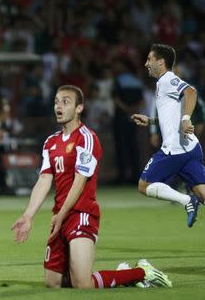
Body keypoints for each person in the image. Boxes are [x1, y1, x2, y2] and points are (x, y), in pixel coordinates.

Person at [12, 85, 172, 289]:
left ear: (79, 108)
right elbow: (44, 180)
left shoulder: (87, 138)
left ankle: (142, 272)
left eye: (65, 102)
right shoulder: (50, 142)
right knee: (53, 283)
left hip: (81, 214)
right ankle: (117, 274)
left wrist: (61, 215)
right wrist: (28, 216)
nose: (58, 106)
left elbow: (80, 181)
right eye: (56, 102)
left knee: (82, 284)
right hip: (60, 215)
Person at [131, 44, 204, 228]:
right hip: (191, 148)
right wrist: (151, 121)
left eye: (149, 59)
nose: (146, 63)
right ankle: (191, 199)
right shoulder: (162, 84)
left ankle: (186, 200)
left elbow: (191, 92)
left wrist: (187, 118)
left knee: (144, 185)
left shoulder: (167, 80)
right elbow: (171, 115)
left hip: (175, 151)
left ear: (161, 62)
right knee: (203, 194)